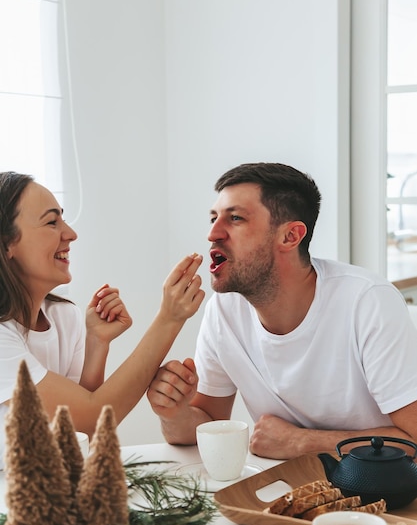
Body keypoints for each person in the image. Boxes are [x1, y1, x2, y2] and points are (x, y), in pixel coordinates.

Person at [147, 162, 417, 460]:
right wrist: (174, 413)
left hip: (384, 495)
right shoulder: (224, 311)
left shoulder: (367, 302)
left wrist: (302, 443)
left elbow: (415, 442)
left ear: (290, 236)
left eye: (235, 218)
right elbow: (208, 427)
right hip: (285, 489)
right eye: (213, 218)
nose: (213, 233)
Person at [0, 171, 205, 465]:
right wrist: (169, 319)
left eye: (64, 219)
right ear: (7, 245)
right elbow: (92, 419)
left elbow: (76, 434)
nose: (70, 233)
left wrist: (97, 342)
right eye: (51, 222)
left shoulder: (63, 316)